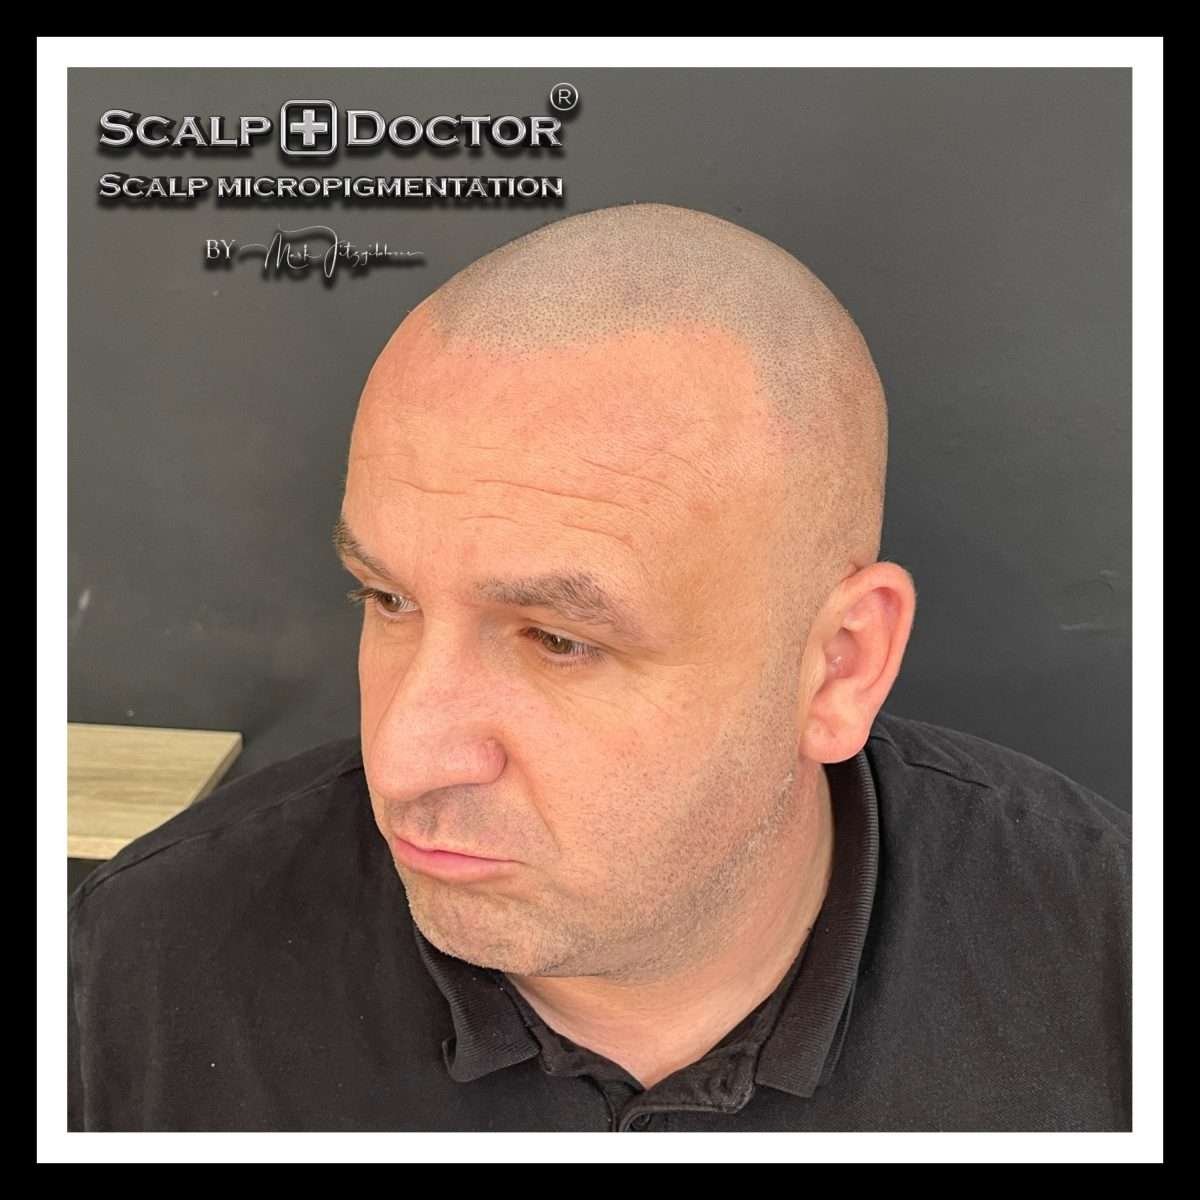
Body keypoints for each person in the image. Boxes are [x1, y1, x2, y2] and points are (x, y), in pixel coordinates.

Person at [68, 202, 1131, 1133]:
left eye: (558, 640)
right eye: (388, 600)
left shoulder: (1110, 974)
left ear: (838, 666)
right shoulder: (146, 968)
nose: (400, 760)